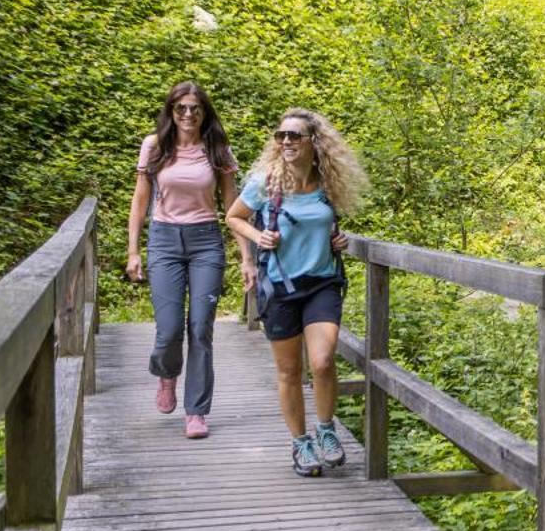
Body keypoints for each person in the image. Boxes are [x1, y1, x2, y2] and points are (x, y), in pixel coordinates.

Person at [226, 108, 365, 477]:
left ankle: (325, 428)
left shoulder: (327, 181)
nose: (286, 142)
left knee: (321, 361)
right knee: (289, 371)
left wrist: (338, 239)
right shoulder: (267, 182)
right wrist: (259, 237)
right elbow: (233, 216)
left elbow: (328, 223)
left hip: (322, 281)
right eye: (280, 136)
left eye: (294, 136)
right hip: (281, 286)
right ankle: (301, 442)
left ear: (313, 142)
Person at [125, 82, 251, 439]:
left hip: (205, 242)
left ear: (204, 112)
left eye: (195, 108)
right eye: (181, 108)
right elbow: (139, 200)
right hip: (164, 240)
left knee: (200, 328)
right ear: (171, 111)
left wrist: (247, 258)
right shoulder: (155, 146)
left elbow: (233, 208)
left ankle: (196, 411)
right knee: (168, 331)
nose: (188, 115)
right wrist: (133, 251)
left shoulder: (217, 149)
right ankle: (167, 374)